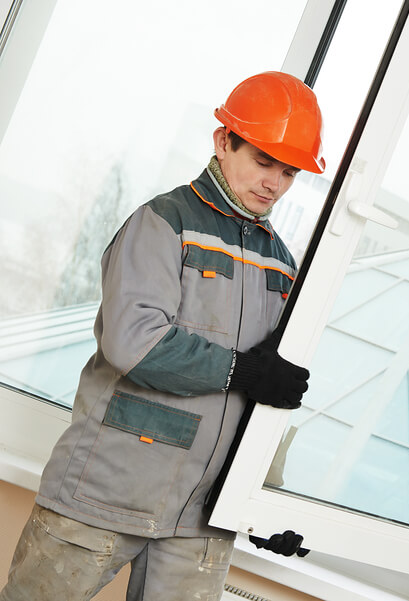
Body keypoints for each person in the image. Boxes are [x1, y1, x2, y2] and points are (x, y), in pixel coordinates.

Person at [1, 71, 324, 601]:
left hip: (201, 518)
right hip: (107, 487)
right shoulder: (163, 222)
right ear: (224, 142)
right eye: (264, 161)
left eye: (289, 171)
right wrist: (242, 370)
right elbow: (136, 342)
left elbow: (274, 392)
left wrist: (267, 500)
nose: (275, 183)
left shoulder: (282, 265)